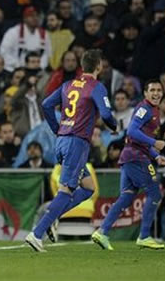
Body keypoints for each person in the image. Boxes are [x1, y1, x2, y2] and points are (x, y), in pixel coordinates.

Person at [25, 49, 117, 252]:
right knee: (66, 190)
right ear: (99, 66)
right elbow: (106, 113)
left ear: (82, 66)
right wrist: (114, 126)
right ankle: (37, 233)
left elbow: (47, 104)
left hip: (62, 140)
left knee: (88, 188)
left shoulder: (68, 84)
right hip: (76, 143)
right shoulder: (97, 86)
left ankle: (51, 217)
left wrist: (57, 129)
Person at [92, 79, 165, 250]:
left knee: (127, 197)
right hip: (136, 158)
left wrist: (156, 157)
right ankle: (144, 236)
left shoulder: (153, 110)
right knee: (155, 193)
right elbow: (132, 131)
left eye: (159, 90)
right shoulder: (144, 109)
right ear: (145, 93)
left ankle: (102, 231)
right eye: (152, 90)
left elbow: (138, 140)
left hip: (131, 155)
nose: (156, 93)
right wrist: (154, 142)